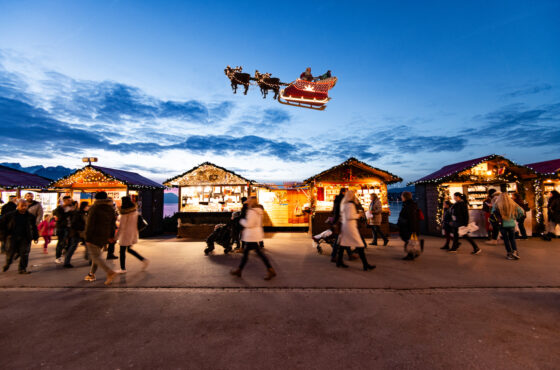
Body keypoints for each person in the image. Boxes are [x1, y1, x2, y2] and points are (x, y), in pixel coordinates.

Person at [230, 196, 276, 280]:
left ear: (251, 202)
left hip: (251, 235)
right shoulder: (258, 210)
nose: (247, 202)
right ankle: (239, 270)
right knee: (248, 253)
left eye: (249, 201)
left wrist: (241, 221)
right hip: (254, 235)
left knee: (258, 254)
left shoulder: (252, 211)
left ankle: (270, 269)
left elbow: (249, 224)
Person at [336, 190, 376, 271]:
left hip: (345, 226)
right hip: (350, 227)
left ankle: (339, 261)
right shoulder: (350, 204)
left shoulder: (344, 204)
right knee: (360, 245)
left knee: (343, 244)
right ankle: (365, 264)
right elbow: (350, 216)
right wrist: (359, 215)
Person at [84, 192, 117, 285]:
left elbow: (90, 224)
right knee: (96, 255)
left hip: (94, 235)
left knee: (96, 256)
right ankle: (91, 274)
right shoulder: (110, 208)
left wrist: (87, 237)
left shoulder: (95, 208)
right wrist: (110, 236)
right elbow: (112, 223)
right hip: (104, 235)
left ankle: (110, 272)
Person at [1, 200, 39, 274]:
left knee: (25, 253)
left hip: (25, 237)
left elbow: (34, 227)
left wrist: (35, 236)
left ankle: (22, 269)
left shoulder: (30, 216)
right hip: (12, 237)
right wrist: (3, 235)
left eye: (25, 206)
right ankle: (8, 263)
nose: (24, 207)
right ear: (17, 206)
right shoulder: (9, 215)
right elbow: (2, 225)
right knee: (10, 253)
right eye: (22, 206)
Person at [116, 196, 149, 273]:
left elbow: (122, 226)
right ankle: (143, 260)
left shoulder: (124, 214)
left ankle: (123, 269)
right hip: (133, 233)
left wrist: (116, 237)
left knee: (122, 251)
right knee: (129, 249)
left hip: (125, 234)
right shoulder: (135, 212)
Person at [492, 193, 524, 260]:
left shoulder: (496, 204)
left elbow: (492, 213)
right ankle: (515, 252)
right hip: (511, 224)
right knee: (512, 238)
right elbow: (521, 212)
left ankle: (509, 253)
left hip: (502, 224)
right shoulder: (512, 204)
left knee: (506, 239)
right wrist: (515, 217)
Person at [330, 188, 354, 263]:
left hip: (339, 221)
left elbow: (334, 210)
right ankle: (334, 256)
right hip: (341, 221)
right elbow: (339, 211)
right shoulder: (343, 200)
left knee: (342, 239)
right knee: (339, 239)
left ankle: (349, 255)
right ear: (344, 192)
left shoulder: (337, 199)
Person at [397, 191, 422, 260]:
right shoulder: (410, 205)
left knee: (409, 241)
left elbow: (412, 218)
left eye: (402, 196)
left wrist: (413, 230)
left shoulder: (409, 206)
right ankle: (412, 253)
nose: (401, 197)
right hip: (408, 227)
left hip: (408, 228)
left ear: (405, 197)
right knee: (409, 241)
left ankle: (411, 254)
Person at [63, 201, 88, 268]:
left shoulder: (83, 213)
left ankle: (89, 258)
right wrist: (81, 228)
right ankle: (66, 262)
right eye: (87, 206)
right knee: (73, 246)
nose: (88, 207)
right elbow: (74, 223)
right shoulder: (78, 213)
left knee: (87, 246)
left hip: (82, 232)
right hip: (77, 232)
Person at [53, 196, 74, 263]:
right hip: (61, 227)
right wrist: (69, 212)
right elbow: (60, 217)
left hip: (70, 227)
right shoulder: (59, 208)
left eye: (70, 200)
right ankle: (58, 257)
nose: (70, 201)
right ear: (64, 201)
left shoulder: (71, 208)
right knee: (61, 242)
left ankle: (65, 253)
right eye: (68, 200)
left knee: (71, 242)